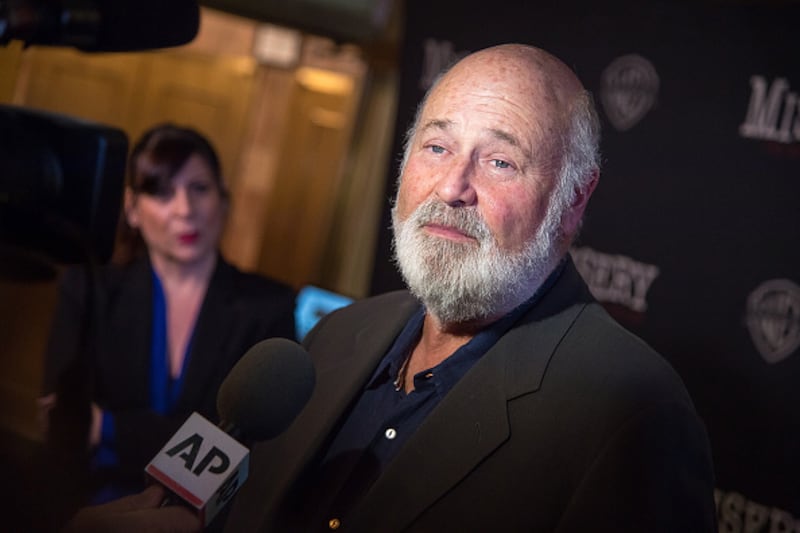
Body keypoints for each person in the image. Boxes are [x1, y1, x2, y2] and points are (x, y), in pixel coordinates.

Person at [66, 43, 718, 532]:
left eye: (500, 161)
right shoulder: (333, 339)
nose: (453, 187)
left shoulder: (632, 414)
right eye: (436, 148)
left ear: (574, 198)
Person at [38, 123, 296, 518]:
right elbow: (61, 425)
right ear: (132, 208)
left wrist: (108, 428)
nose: (184, 209)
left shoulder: (269, 307)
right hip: (90, 511)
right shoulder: (88, 290)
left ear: (223, 199)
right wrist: (193, 438)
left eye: (199, 188)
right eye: (161, 192)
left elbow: (252, 451)